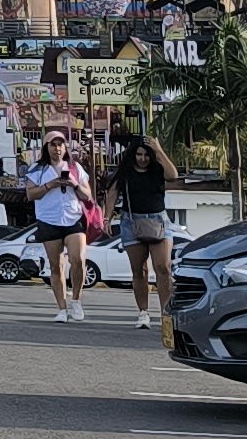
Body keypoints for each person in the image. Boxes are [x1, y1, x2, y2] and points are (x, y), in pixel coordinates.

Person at [108, 117, 178, 336]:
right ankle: (143, 312)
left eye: (146, 154)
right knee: (139, 270)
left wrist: (158, 149)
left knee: (163, 268)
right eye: (139, 154)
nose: (143, 159)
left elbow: (173, 176)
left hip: (158, 219)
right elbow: (112, 193)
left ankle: (166, 313)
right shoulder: (125, 171)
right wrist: (106, 218)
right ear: (133, 155)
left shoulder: (157, 168)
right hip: (131, 221)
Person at [21, 127, 92, 306]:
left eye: (60, 145)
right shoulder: (37, 170)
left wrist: (74, 184)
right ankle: (62, 306)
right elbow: (30, 195)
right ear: (46, 147)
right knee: (56, 265)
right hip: (49, 220)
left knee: (77, 259)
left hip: (73, 218)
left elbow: (88, 196)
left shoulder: (75, 168)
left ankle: (76, 300)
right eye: (53, 145)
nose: (57, 149)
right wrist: (50, 184)